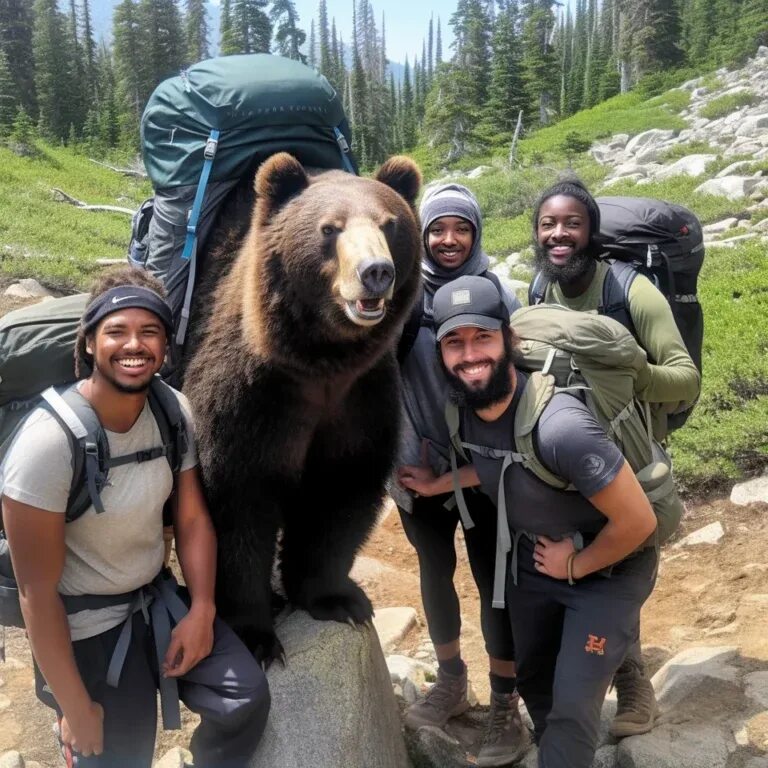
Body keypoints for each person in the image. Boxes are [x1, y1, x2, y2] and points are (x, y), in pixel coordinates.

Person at [0, 267, 270, 768]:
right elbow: (37, 592)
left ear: (165, 347)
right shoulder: (47, 444)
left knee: (244, 697)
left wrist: (203, 609)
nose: (135, 345)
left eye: (150, 332)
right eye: (117, 331)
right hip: (85, 630)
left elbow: (191, 520)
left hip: (157, 602)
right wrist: (76, 705)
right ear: (88, 343)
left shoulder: (173, 411)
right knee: (120, 757)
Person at [400, 274, 659, 768]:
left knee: (572, 704)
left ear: (508, 340)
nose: (470, 354)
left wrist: (577, 564)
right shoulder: (466, 411)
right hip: (537, 563)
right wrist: (439, 485)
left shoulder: (563, 427)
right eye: (455, 342)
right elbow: (503, 455)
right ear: (441, 357)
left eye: (483, 337)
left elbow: (638, 522)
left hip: (606, 567)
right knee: (535, 680)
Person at [530, 178, 700, 736]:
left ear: (591, 232)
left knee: (627, 561)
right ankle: (607, 669)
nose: (559, 234)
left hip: (630, 454)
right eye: (548, 224)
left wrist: (631, 373)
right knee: (584, 564)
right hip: (567, 463)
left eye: (571, 224)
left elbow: (685, 380)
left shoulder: (631, 292)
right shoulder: (538, 292)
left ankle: (633, 682)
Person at [393, 184, 527, 765]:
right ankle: (451, 680)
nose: (449, 240)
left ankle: (505, 701)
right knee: (434, 568)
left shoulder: (500, 295)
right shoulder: (396, 292)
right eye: (437, 229)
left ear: (476, 233)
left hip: (484, 467)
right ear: (421, 235)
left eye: (461, 229)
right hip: (412, 465)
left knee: (494, 577)